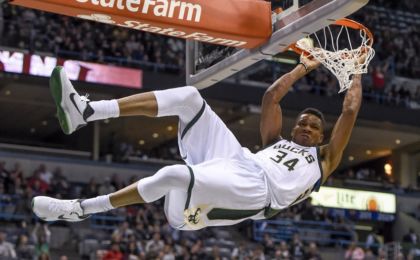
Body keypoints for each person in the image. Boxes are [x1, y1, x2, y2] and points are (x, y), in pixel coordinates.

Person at [32, 52, 366, 230]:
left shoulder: (324, 159)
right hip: (240, 162)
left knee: (172, 175)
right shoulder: (274, 142)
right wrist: (301, 69)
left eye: (313, 127)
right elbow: (270, 99)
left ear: (321, 136)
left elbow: (349, 112)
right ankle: (89, 111)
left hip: (257, 194)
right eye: (303, 123)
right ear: (294, 129)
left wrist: (356, 69)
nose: (307, 128)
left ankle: (80, 210)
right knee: (190, 97)